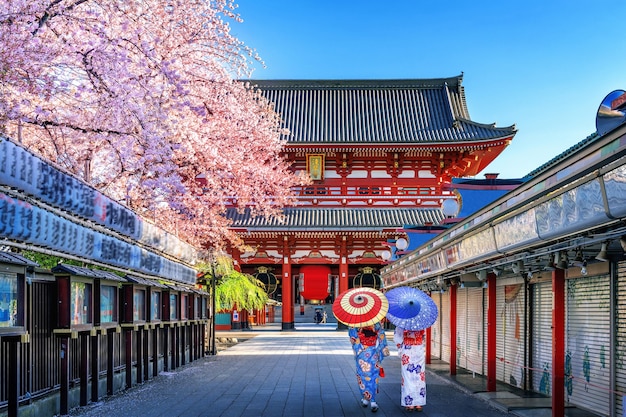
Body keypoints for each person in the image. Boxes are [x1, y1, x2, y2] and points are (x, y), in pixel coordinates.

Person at [348, 322, 389, 412]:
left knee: (363, 376)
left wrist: (359, 345)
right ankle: (372, 400)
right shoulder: (376, 321)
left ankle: (367, 398)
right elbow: (381, 335)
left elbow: (353, 337)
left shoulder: (354, 322)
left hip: (362, 352)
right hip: (373, 352)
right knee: (373, 376)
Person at [393, 327, 427, 411]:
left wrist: (400, 347)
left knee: (407, 377)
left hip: (407, 350)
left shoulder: (403, 321)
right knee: (420, 377)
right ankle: (419, 403)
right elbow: (423, 336)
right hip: (418, 349)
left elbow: (397, 337)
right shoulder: (421, 321)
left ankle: (410, 403)